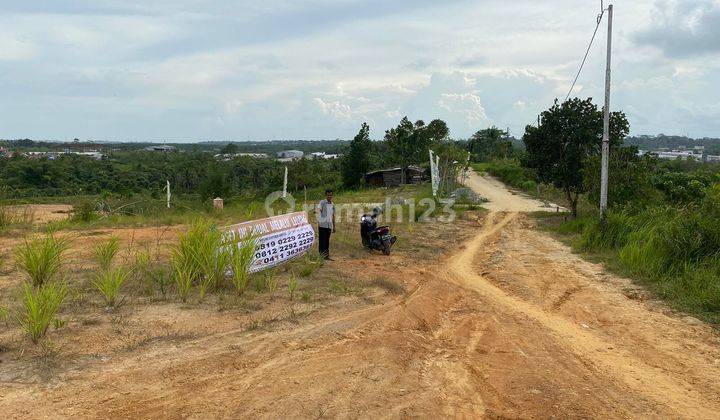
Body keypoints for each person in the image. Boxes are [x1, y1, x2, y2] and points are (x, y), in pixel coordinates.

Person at [316, 189, 336, 260]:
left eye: (330, 195)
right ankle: (321, 256)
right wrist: (319, 220)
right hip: (322, 225)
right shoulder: (322, 202)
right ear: (326, 195)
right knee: (322, 241)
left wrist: (334, 226)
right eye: (328, 195)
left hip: (329, 226)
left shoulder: (333, 204)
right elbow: (318, 210)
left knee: (327, 241)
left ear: (332, 195)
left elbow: (333, 216)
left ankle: (326, 256)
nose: (329, 196)